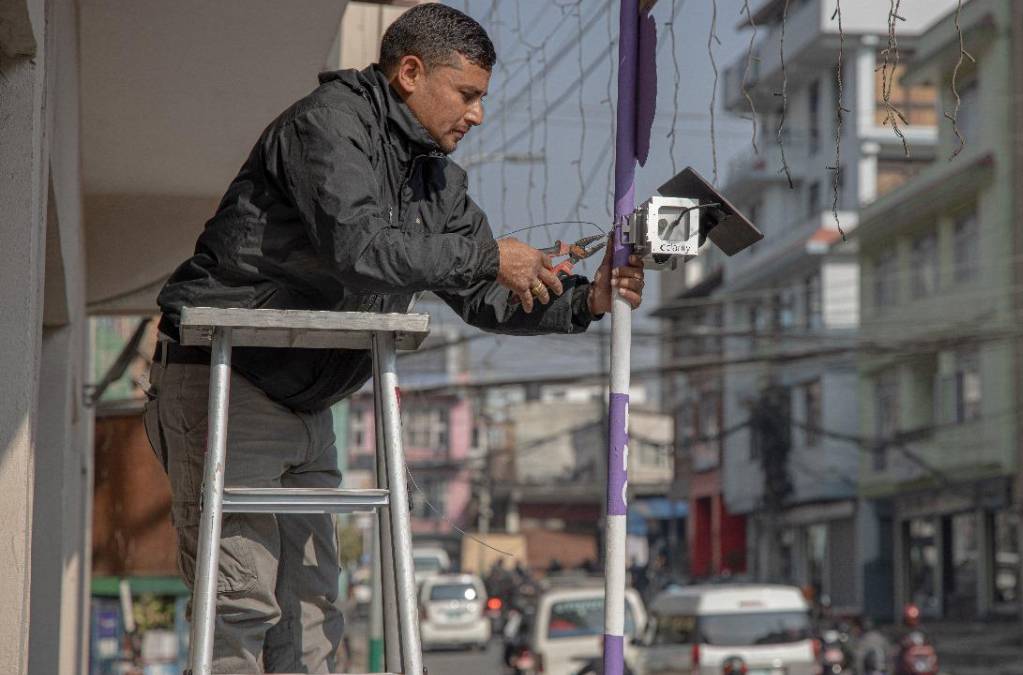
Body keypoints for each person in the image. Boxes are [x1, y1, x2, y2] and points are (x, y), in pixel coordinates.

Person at [141, 5, 645, 672]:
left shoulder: (434, 175)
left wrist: (589, 299)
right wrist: (491, 258)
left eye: (482, 100)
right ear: (411, 72)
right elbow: (360, 248)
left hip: (308, 400)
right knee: (240, 603)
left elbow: (483, 293)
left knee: (316, 611)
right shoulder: (330, 123)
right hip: (228, 379)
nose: (477, 116)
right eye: (467, 95)